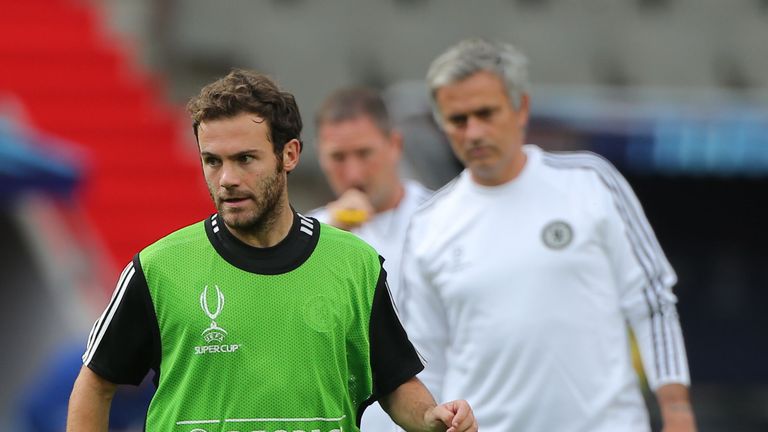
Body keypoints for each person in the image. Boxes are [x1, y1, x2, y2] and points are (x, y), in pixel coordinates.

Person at [66, 69, 477, 432]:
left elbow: (393, 381)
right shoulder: (158, 269)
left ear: (289, 155)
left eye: (246, 159)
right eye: (212, 161)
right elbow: (96, 383)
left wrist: (430, 418)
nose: (227, 178)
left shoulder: (355, 263)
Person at [400, 38, 697, 432]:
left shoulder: (591, 182)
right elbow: (423, 358)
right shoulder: (429, 224)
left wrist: (676, 410)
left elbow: (652, 299)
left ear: (521, 107)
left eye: (486, 113)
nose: (473, 131)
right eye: (458, 119)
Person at [310, 87, 432, 432]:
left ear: (395, 145)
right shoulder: (306, 236)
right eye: (338, 157)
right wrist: (331, 230)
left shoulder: (444, 220)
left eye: (365, 153)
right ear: (319, 155)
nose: (353, 173)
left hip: (438, 418)